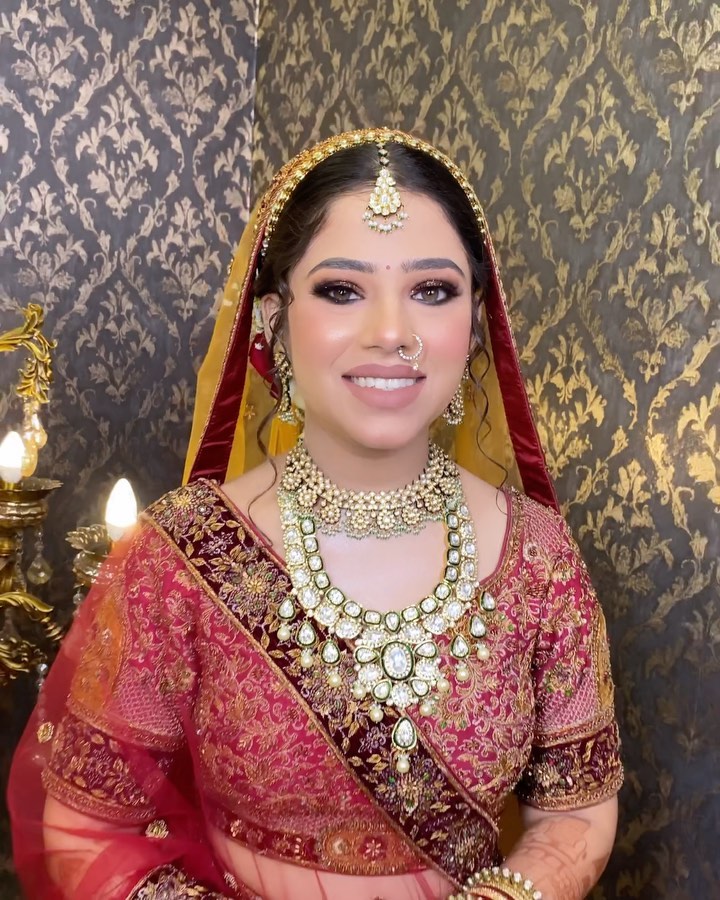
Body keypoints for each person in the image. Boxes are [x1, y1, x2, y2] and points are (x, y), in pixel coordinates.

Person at [8, 128, 623, 900]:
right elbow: (88, 828)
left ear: (475, 325)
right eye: (341, 290)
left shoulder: (537, 554)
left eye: (433, 291)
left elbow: (577, 812)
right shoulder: (184, 555)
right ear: (272, 320)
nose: (391, 333)